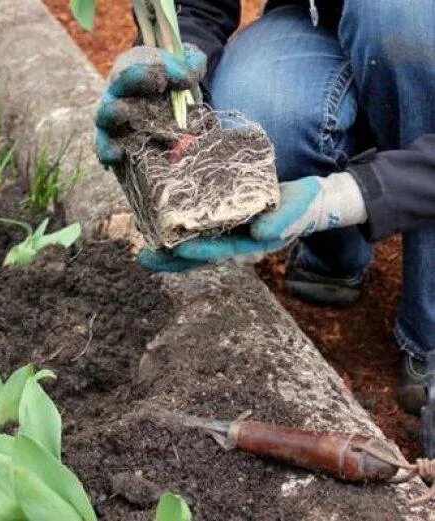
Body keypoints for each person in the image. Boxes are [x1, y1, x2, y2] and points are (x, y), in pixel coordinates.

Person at [94, 0, 435, 414]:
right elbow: (198, 8)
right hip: (314, 19)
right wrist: (172, 56)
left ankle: (428, 334)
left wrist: (342, 198)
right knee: (263, 118)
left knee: (400, 16)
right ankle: (334, 255)